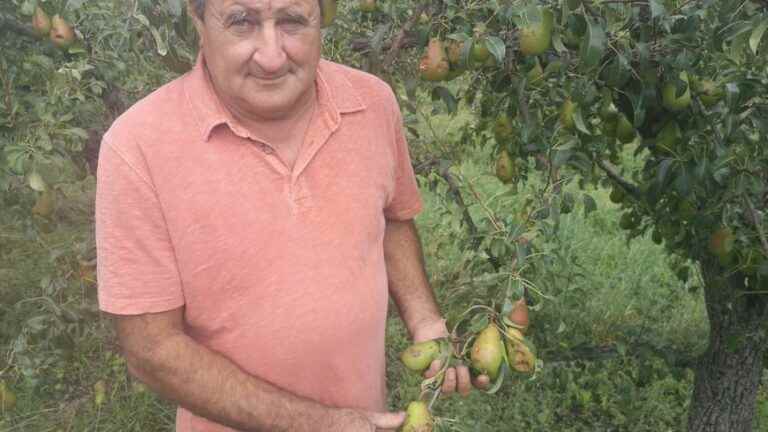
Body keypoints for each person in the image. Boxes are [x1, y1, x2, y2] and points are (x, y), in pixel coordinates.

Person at [95, 0, 484, 430]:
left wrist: (425, 318)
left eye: (293, 21)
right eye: (241, 21)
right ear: (198, 20)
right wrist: (322, 424)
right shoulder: (138, 148)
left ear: (322, 18)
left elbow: (392, 219)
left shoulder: (372, 104)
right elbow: (152, 350)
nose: (272, 55)